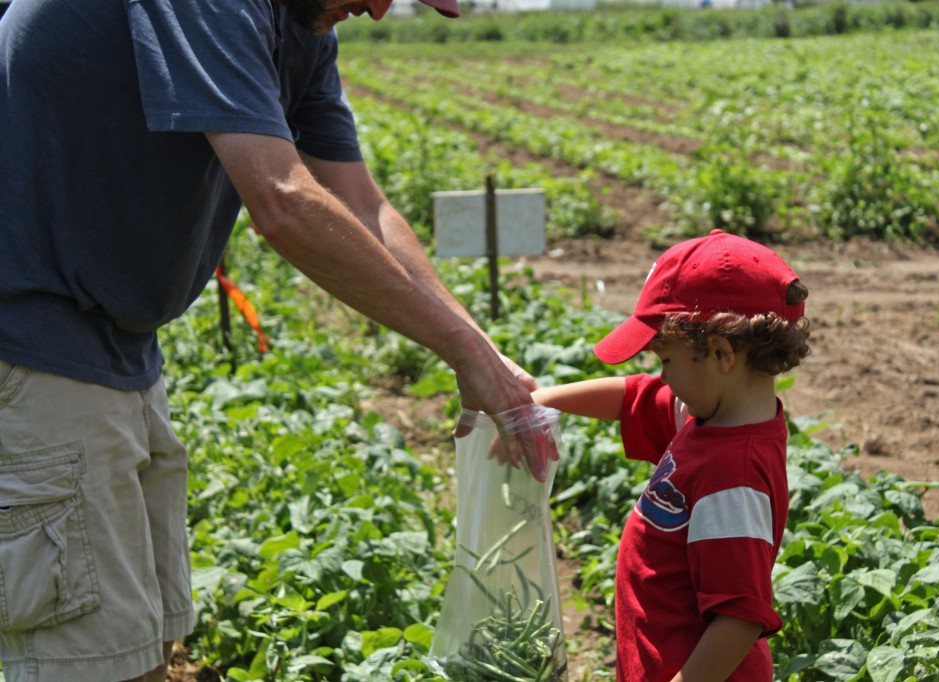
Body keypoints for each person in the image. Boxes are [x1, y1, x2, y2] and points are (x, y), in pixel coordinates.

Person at [0, 1, 556, 681]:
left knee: (146, 642)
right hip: (31, 336)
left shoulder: (304, 25)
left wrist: (478, 345)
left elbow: (358, 201)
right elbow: (284, 201)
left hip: (119, 341)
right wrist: (459, 352)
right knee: (88, 657)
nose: (380, 12)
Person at [532, 229, 811, 681]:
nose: (662, 377)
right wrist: (536, 402)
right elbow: (632, 399)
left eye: (666, 360)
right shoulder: (707, 414)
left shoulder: (731, 477)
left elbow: (738, 620)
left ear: (720, 353)